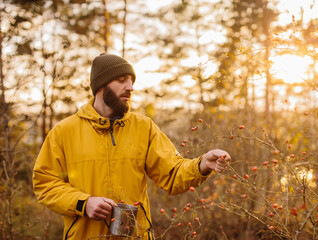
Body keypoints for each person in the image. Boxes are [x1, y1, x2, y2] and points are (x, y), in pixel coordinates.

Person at [32, 53, 231, 240]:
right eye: (122, 80)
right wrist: (82, 203)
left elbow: (172, 174)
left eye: (131, 81)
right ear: (101, 85)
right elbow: (45, 183)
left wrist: (201, 165)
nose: (130, 87)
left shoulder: (144, 127)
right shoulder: (64, 131)